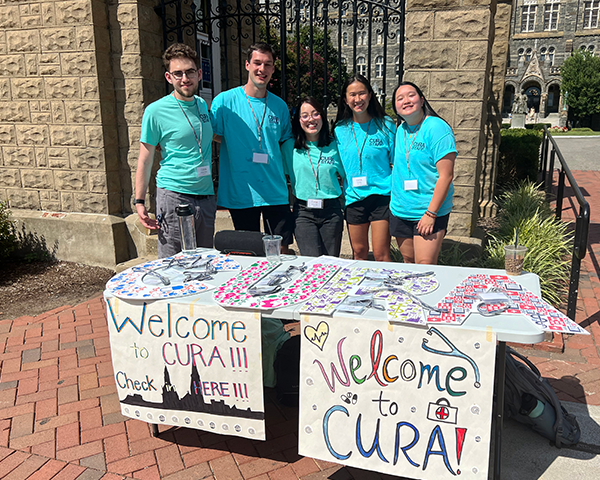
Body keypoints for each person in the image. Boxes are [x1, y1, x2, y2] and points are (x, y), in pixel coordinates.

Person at [135, 43, 215, 258]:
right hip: (174, 195)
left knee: (205, 261)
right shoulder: (155, 111)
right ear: (169, 78)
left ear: (199, 74)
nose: (185, 79)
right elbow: (145, 159)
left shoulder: (202, 105)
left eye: (189, 72)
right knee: (173, 262)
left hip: (206, 196)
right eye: (178, 74)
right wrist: (140, 201)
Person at [210, 43, 294, 250]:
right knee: (248, 252)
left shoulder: (280, 106)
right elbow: (211, 133)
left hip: (275, 190)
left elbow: (285, 143)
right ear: (247, 65)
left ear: (273, 69)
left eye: (268, 64)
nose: (262, 69)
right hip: (242, 191)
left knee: (280, 251)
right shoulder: (224, 101)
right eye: (257, 63)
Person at [390, 81, 457, 264]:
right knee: (409, 261)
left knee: (424, 266)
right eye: (399, 98)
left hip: (427, 211)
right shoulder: (400, 130)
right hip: (401, 209)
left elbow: (446, 175)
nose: (406, 101)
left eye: (411, 95)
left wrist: (431, 213)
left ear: (422, 99)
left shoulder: (437, 128)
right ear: (395, 107)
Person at [333, 74, 396, 261]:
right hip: (354, 198)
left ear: (369, 95)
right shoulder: (339, 129)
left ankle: (385, 288)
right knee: (359, 252)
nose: (357, 99)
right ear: (345, 99)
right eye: (352, 95)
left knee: (381, 253)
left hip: (381, 196)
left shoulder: (386, 125)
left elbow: (397, 162)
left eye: (362, 93)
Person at [282, 97, 345, 257]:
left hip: (331, 211)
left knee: (331, 263)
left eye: (315, 114)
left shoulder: (334, 145)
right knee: (311, 262)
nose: (311, 119)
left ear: (322, 117)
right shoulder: (289, 147)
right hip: (303, 212)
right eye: (305, 115)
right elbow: (279, 177)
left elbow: (347, 176)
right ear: (298, 120)